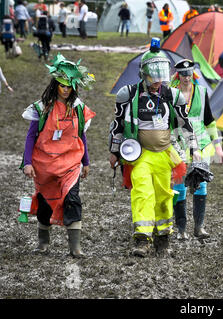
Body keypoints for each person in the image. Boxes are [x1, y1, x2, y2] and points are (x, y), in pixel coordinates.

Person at [108, 38, 201, 257]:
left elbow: (185, 124)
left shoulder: (172, 95)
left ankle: (163, 238)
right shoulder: (128, 95)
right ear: (143, 73)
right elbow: (118, 124)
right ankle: (142, 239)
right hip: (139, 154)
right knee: (142, 193)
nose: (158, 81)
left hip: (165, 154)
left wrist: (194, 148)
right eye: (154, 75)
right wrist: (114, 151)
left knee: (164, 195)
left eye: (162, 75)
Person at [21, 53, 96, 258]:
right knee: (46, 202)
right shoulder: (41, 108)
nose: (65, 89)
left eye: (69, 85)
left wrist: (85, 162)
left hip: (71, 163)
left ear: (74, 86)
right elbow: (31, 136)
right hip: (44, 165)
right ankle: (43, 242)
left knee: (72, 198)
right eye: (61, 85)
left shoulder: (79, 109)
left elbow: (81, 136)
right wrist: (27, 163)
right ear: (55, 85)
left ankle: (75, 247)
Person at [170, 59, 223, 240]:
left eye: (189, 74)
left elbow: (209, 120)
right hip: (178, 144)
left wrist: (218, 146)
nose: (186, 78)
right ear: (178, 75)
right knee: (179, 186)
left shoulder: (201, 92)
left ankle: (199, 227)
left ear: (193, 74)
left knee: (201, 185)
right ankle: (181, 229)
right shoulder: (171, 94)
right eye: (183, 74)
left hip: (201, 144)